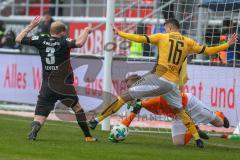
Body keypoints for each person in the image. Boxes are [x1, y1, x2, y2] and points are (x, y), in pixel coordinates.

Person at [88, 18, 237, 148]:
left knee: (124, 96)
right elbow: (209, 51)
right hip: (172, 84)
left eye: (166, 27)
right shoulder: (188, 41)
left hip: (159, 78)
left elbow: (140, 38)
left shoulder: (162, 37)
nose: (165, 30)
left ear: (170, 27)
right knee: (179, 111)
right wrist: (226, 45)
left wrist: (120, 33)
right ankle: (197, 138)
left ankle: (97, 119)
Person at [15, 16, 97, 142]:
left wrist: (31, 26)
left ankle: (34, 131)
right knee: (77, 109)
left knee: (40, 116)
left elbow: (18, 39)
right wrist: (86, 31)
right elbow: (79, 43)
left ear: (50, 31)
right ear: (63, 32)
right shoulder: (64, 41)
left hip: (47, 84)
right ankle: (88, 137)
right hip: (63, 85)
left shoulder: (41, 39)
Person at [114, 74, 229, 145]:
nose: (129, 90)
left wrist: (141, 103)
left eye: (130, 87)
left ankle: (219, 114)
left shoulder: (152, 90)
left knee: (219, 123)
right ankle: (194, 130)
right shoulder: (139, 100)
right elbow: (132, 114)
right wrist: (121, 129)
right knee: (178, 143)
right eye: (128, 87)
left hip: (188, 104)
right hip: (177, 115)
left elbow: (159, 99)